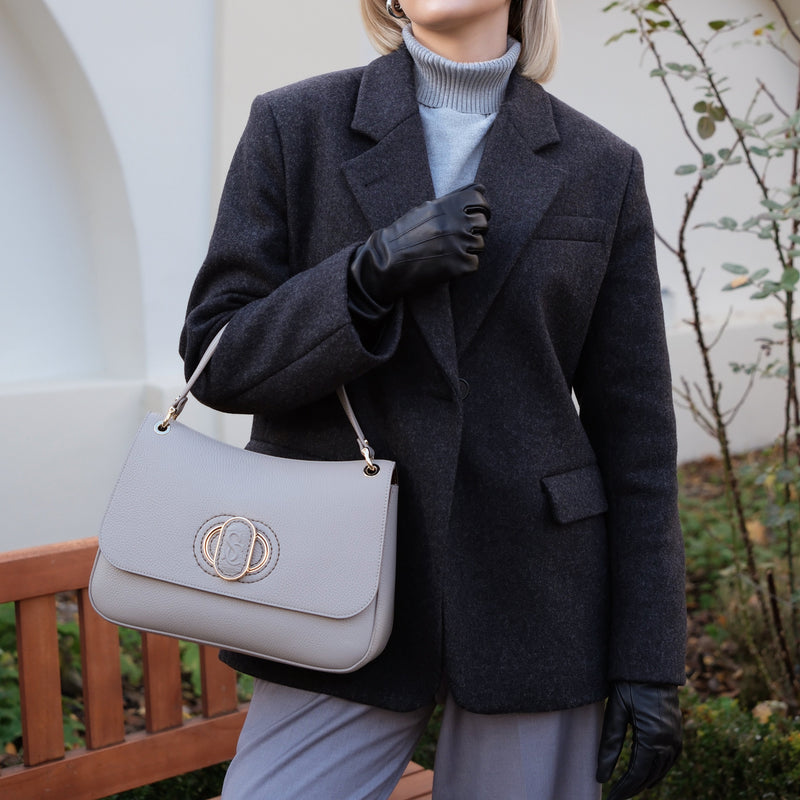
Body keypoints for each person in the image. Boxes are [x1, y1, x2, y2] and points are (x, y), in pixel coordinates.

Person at [179, 1, 686, 798]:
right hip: (334, 579)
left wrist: (651, 656)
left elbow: (638, 437)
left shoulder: (601, 165)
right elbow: (216, 362)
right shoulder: (295, 125)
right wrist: (365, 275)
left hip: (538, 597)